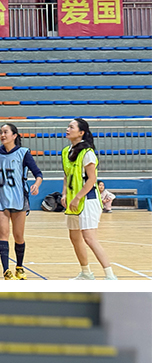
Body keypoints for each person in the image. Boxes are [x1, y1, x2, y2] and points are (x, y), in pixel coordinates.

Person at [0, 123, 43, 280]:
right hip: (0, 199)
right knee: (3, 234)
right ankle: (6, 271)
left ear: (14, 136)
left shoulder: (23, 153)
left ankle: (19, 267)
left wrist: (37, 184)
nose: (2, 135)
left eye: (5, 132)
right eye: (0, 132)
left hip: (19, 199)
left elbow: (38, 173)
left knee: (18, 236)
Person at [61, 118, 117, 281]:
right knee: (74, 237)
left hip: (88, 200)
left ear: (81, 132)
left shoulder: (88, 153)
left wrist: (78, 197)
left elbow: (92, 179)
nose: (67, 129)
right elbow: (66, 175)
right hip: (73, 200)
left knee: (89, 238)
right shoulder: (66, 151)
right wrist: (65, 194)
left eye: (71, 127)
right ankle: (86, 272)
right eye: (68, 126)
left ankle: (110, 275)